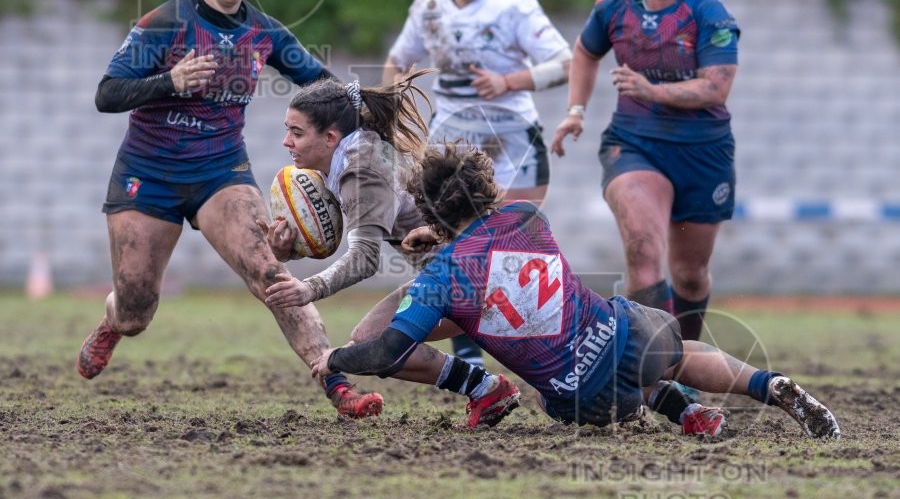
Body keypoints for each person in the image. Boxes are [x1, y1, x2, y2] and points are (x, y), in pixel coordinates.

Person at [310, 143, 841, 439]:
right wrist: (444, 242)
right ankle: (765, 387)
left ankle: (681, 413)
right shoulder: (525, 216)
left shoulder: (439, 281)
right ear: (487, 188)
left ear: (428, 210)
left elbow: (384, 349)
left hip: (582, 399)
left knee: (544, 376)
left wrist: (333, 356)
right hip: (625, 337)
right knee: (678, 352)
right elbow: (490, 259)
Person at [75, 0, 383, 419]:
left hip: (221, 174)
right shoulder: (165, 25)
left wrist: (374, 117)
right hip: (147, 176)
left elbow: (324, 87)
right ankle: (112, 324)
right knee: (136, 311)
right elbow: (106, 94)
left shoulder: (264, 33)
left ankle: (335, 380)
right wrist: (170, 80)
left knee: (270, 273)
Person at [258, 72, 520, 429]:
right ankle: (487, 387)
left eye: (297, 132)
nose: (287, 141)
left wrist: (308, 288)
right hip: (467, 270)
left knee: (372, 343)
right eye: (288, 130)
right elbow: (336, 239)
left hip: (471, 279)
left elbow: (364, 259)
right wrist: (288, 249)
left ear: (330, 137)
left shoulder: (360, 172)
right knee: (370, 342)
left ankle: (487, 388)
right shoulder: (349, 154)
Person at [382, 0, 572, 365]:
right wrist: (390, 114)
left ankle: (535, 343)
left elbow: (565, 63)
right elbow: (397, 59)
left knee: (505, 246)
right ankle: (468, 348)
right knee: (446, 244)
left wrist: (509, 80)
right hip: (450, 143)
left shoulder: (515, 6)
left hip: (511, 140)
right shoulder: (428, 6)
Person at [550, 0, 740, 344]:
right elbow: (584, 52)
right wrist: (576, 109)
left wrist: (650, 90)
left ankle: (684, 359)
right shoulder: (614, 7)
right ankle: (653, 371)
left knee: (690, 276)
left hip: (702, 153)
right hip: (635, 145)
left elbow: (717, 88)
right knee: (643, 250)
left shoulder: (709, 13)